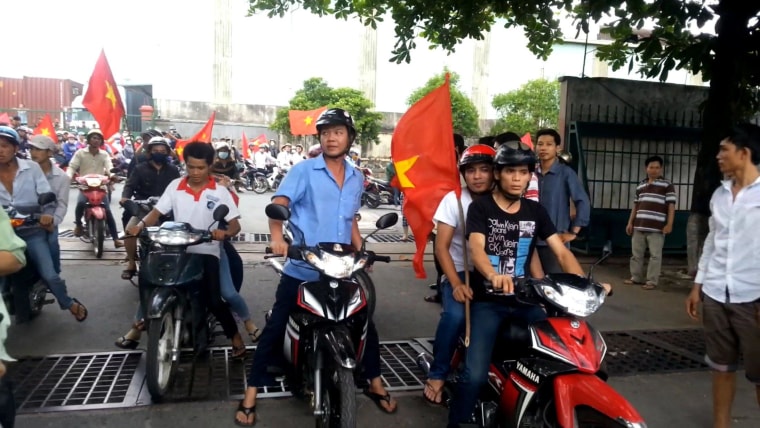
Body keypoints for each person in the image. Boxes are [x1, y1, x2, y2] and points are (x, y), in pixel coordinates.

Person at [235, 108, 397, 426]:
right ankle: (251, 393)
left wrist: (362, 251)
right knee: (276, 325)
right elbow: (280, 204)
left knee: (365, 322)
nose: (331, 137)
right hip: (304, 266)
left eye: (337, 131)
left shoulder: (355, 177)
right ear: (319, 138)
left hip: (341, 267)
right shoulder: (304, 171)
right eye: (325, 133)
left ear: (350, 137)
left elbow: (349, 220)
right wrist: (278, 238)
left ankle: (375, 382)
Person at [448, 141, 588, 427]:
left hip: (526, 302)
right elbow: (477, 249)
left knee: (560, 357)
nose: (517, 178)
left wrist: (584, 285)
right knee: (473, 376)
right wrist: (492, 275)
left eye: (523, 172)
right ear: (498, 174)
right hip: (488, 302)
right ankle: (457, 421)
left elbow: (561, 252)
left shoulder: (535, 211)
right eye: (510, 171)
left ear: (529, 176)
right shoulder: (481, 208)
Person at [127, 141, 246, 357]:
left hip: (207, 251)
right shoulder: (175, 186)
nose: (195, 172)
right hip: (178, 250)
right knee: (151, 280)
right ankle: (142, 322)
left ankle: (235, 337)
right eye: (191, 167)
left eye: (201, 167)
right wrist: (140, 226)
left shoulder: (220, 191)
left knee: (214, 300)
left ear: (210, 165)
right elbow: (156, 213)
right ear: (185, 165)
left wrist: (226, 233)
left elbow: (235, 224)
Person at [685, 123, 760, 428]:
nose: (718, 156)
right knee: (721, 367)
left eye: (724, 150)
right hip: (716, 293)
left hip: (753, 297)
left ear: (744, 154)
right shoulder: (720, 194)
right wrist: (698, 285)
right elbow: (713, 242)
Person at [423, 144, 496, 404]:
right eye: (471, 170)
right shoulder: (453, 200)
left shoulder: (504, 198)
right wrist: (454, 283)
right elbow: (441, 248)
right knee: (454, 316)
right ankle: (438, 372)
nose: (477, 176)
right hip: (461, 271)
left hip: (496, 274)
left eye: (484, 170)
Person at [0, 126, 87, 323]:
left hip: (32, 230)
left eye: (4, 146)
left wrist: (48, 217)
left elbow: (49, 200)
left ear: (15, 148)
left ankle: (68, 303)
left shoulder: (32, 169)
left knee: (51, 274)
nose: (0, 150)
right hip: (3, 234)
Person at [119, 136, 180, 281]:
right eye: (156, 150)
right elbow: (129, 185)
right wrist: (125, 197)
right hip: (144, 209)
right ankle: (132, 264)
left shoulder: (173, 170)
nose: (159, 153)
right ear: (150, 152)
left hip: (166, 211)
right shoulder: (140, 168)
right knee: (130, 232)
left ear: (167, 152)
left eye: (162, 150)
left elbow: (179, 188)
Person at [534, 128, 590, 273]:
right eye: (540, 144)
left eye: (549, 144)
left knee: (556, 283)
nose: (543, 148)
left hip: (556, 239)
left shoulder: (565, 173)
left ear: (557, 148)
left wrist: (574, 232)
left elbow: (582, 200)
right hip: (530, 240)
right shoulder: (530, 173)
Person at [625, 155, 676, 290]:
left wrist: (669, 224)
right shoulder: (641, 185)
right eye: (651, 167)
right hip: (639, 225)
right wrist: (630, 223)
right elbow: (635, 206)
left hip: (657, 227)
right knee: (636, 255)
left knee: (655, 256)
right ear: (646, 168)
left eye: (657, 168)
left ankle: (651, 281)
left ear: (661, 169)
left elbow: (671, 206)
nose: (654, 170)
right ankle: (636, 277)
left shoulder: (667, 185)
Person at [67, 129, 124, 248]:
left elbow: (109, 167)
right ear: (88, 140)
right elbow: (72, 167)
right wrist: (68, 176)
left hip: (101, 186)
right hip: (85, 186)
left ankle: (115, 239)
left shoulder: (104, 154)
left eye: (98, 138)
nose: (96, 140)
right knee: (81, 203)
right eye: (93, 138)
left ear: (101, 141)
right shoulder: (80, 153)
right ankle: (78, 225)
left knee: (107, 210)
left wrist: (113, 176)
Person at [28, 135, 70, 275]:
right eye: (32, 148)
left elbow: (62, 204)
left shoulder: (62, 177)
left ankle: (55, 278)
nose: (34, 153)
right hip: (23, 219)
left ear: (49, 152)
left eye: (39, 149)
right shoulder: (22, 172)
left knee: (52, 244)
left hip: (48, 221)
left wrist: (53, 221)